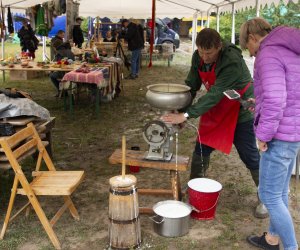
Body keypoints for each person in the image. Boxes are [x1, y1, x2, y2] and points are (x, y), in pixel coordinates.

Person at [161, 28, 268, 218]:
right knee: (201, 149)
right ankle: (195, 187)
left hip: (240, 109)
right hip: (216, 107)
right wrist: (180, 110)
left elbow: (216, 92)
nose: (204, 56)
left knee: (249, 155)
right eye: (201, 52)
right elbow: (191, 85)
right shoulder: (198, 57)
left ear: (219, 46)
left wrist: (186, 115)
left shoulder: (232, 60)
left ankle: (265, 198)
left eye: (209, 53)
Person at [239, 18, 300, 250]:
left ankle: (291, 247)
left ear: (253, 38)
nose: (252, 54)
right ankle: (272, 239)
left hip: (279, 137)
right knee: (279, 192)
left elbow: (277, 99)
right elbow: (289, 93)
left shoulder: (269, 53)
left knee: (269, 196)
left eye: (249, 48)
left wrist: (263, 134)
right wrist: (260, 103)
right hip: (293, 131)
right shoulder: (291, 50)